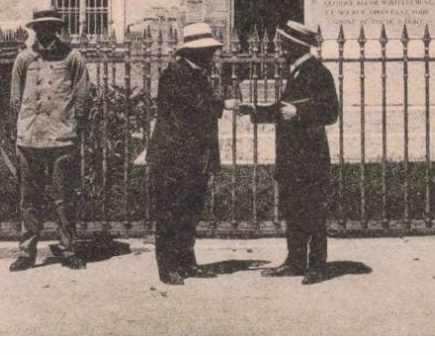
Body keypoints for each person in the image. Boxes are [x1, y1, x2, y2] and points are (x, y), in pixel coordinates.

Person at [238, 20, 340, 284]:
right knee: (293, 209)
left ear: (296, 46)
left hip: (310, 155)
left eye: (283, 45)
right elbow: (283, 106)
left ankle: (317, 266)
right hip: (292, 155)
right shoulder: (295, 71)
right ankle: (296, 261)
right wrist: (254, 111)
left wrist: (300, 113)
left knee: (313, 211)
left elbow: (331, 112)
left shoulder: (318, 72)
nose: (279, 50)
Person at [8, 9, 91, 272]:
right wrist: (22, 127)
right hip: (30, 138)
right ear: (35, 30)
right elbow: (15, 99)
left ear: (57, 29)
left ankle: (67, 249)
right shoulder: (24, 59)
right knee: (29, 198)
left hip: (61, 138)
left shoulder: (72, 58)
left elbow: (81, 97)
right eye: (40, 27)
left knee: (63, 197)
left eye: (50, 27)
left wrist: (74, 127)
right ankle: (27, 252)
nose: (45, 33)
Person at [146, 22, 227, 285]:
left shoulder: (197, 75)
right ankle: (167, 266)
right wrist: (221, 104)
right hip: (173, 158)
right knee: (170, 211)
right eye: (206, 51)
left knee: (190, 211)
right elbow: (197, 108)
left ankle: (186, 261)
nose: (211, 56)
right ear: (192, 53)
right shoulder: (174, 75)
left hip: (195, 157)